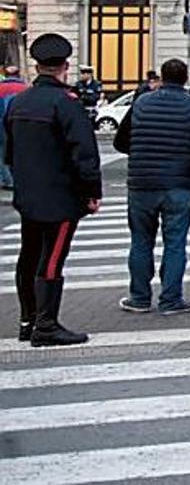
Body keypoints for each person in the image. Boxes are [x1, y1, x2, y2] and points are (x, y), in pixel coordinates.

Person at [3, 33, 101, 345]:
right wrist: (91, 193)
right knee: (53, 258)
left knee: (29, 255)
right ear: (65, 66)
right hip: (60, 196)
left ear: (37, 65)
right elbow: (84, 154)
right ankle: (46, 326)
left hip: (28, 195)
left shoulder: (20, 102)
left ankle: (27, 320)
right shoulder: (66, 103)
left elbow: (9, 150)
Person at [114, 58, 190, 315]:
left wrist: (141, 151)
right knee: (176, 242)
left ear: (161, 77)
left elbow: (120, 142)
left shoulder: (142, 102)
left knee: (140, 240)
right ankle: (171, 299)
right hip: (179, 183)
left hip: (142, 182)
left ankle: (139, 297)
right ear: (185, 78)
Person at [0, 65, 27, 193]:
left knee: (3, 152)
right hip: (22, 125)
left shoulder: (0, 88)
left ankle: (8, 180)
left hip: (1, 125)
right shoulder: (26, 89)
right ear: (18, 74)